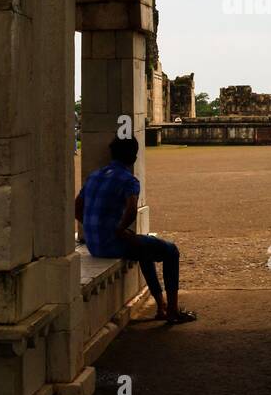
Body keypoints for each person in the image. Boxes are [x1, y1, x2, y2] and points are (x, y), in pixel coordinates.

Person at [75, 134, 197, 325]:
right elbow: (131, 211)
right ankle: (172, 310)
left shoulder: (94, 176)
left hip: (94, 244)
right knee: (171, 251)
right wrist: (119, 230)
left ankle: (161, 305)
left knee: (142, 249)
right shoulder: (128, 180)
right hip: (112, 244)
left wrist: (94, 227)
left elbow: (77, 207)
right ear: (133, 157)